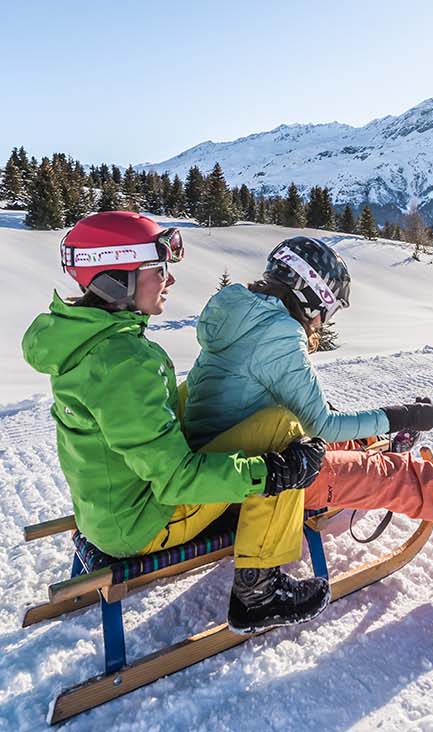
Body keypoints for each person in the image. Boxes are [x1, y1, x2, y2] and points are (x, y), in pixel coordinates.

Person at [22, 211, 331, 635]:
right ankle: (259, 593)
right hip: (143, 526)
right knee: (286, 437)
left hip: (109, 509)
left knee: (269, 421)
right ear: (118, 279)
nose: (169, 280)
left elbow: (147, 426)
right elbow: (177, 482)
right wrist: (272, 472)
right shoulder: (124, 363)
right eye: (159, 269)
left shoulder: (91, 339)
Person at [184, 235, 433, 582]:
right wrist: (401, 415)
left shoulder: (242, 315)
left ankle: (375, 447)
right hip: (260, 479)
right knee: (396, 477)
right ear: (312, 297)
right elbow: (323, 425)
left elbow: (300, 417)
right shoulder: (280, 334)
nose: (322, 322)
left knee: (311, 425)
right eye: (326, 310)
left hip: (226, 460)